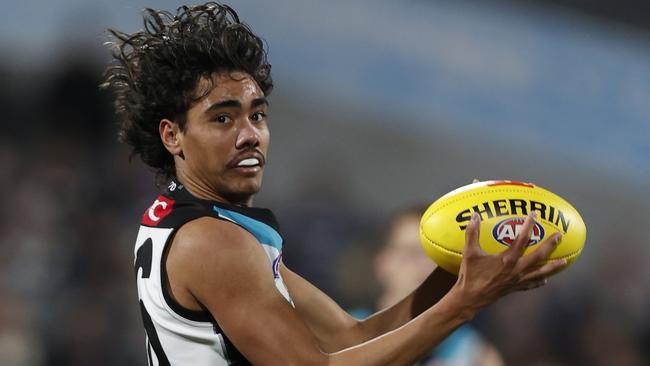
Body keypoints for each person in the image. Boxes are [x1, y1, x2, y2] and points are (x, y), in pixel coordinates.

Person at [102, 3, 566, 365]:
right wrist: (465, 304)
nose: (250, 135)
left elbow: (352, 337)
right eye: (222, 117)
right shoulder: (212, 243)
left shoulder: (199, 221)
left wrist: (456, 275)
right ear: (172, 135)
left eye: (257, 114)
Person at [373, 206, 504, 366]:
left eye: (437, 257)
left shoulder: (476, 354)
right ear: (384, 262)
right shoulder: (340, 340)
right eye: (413, 253)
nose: (426, 267)